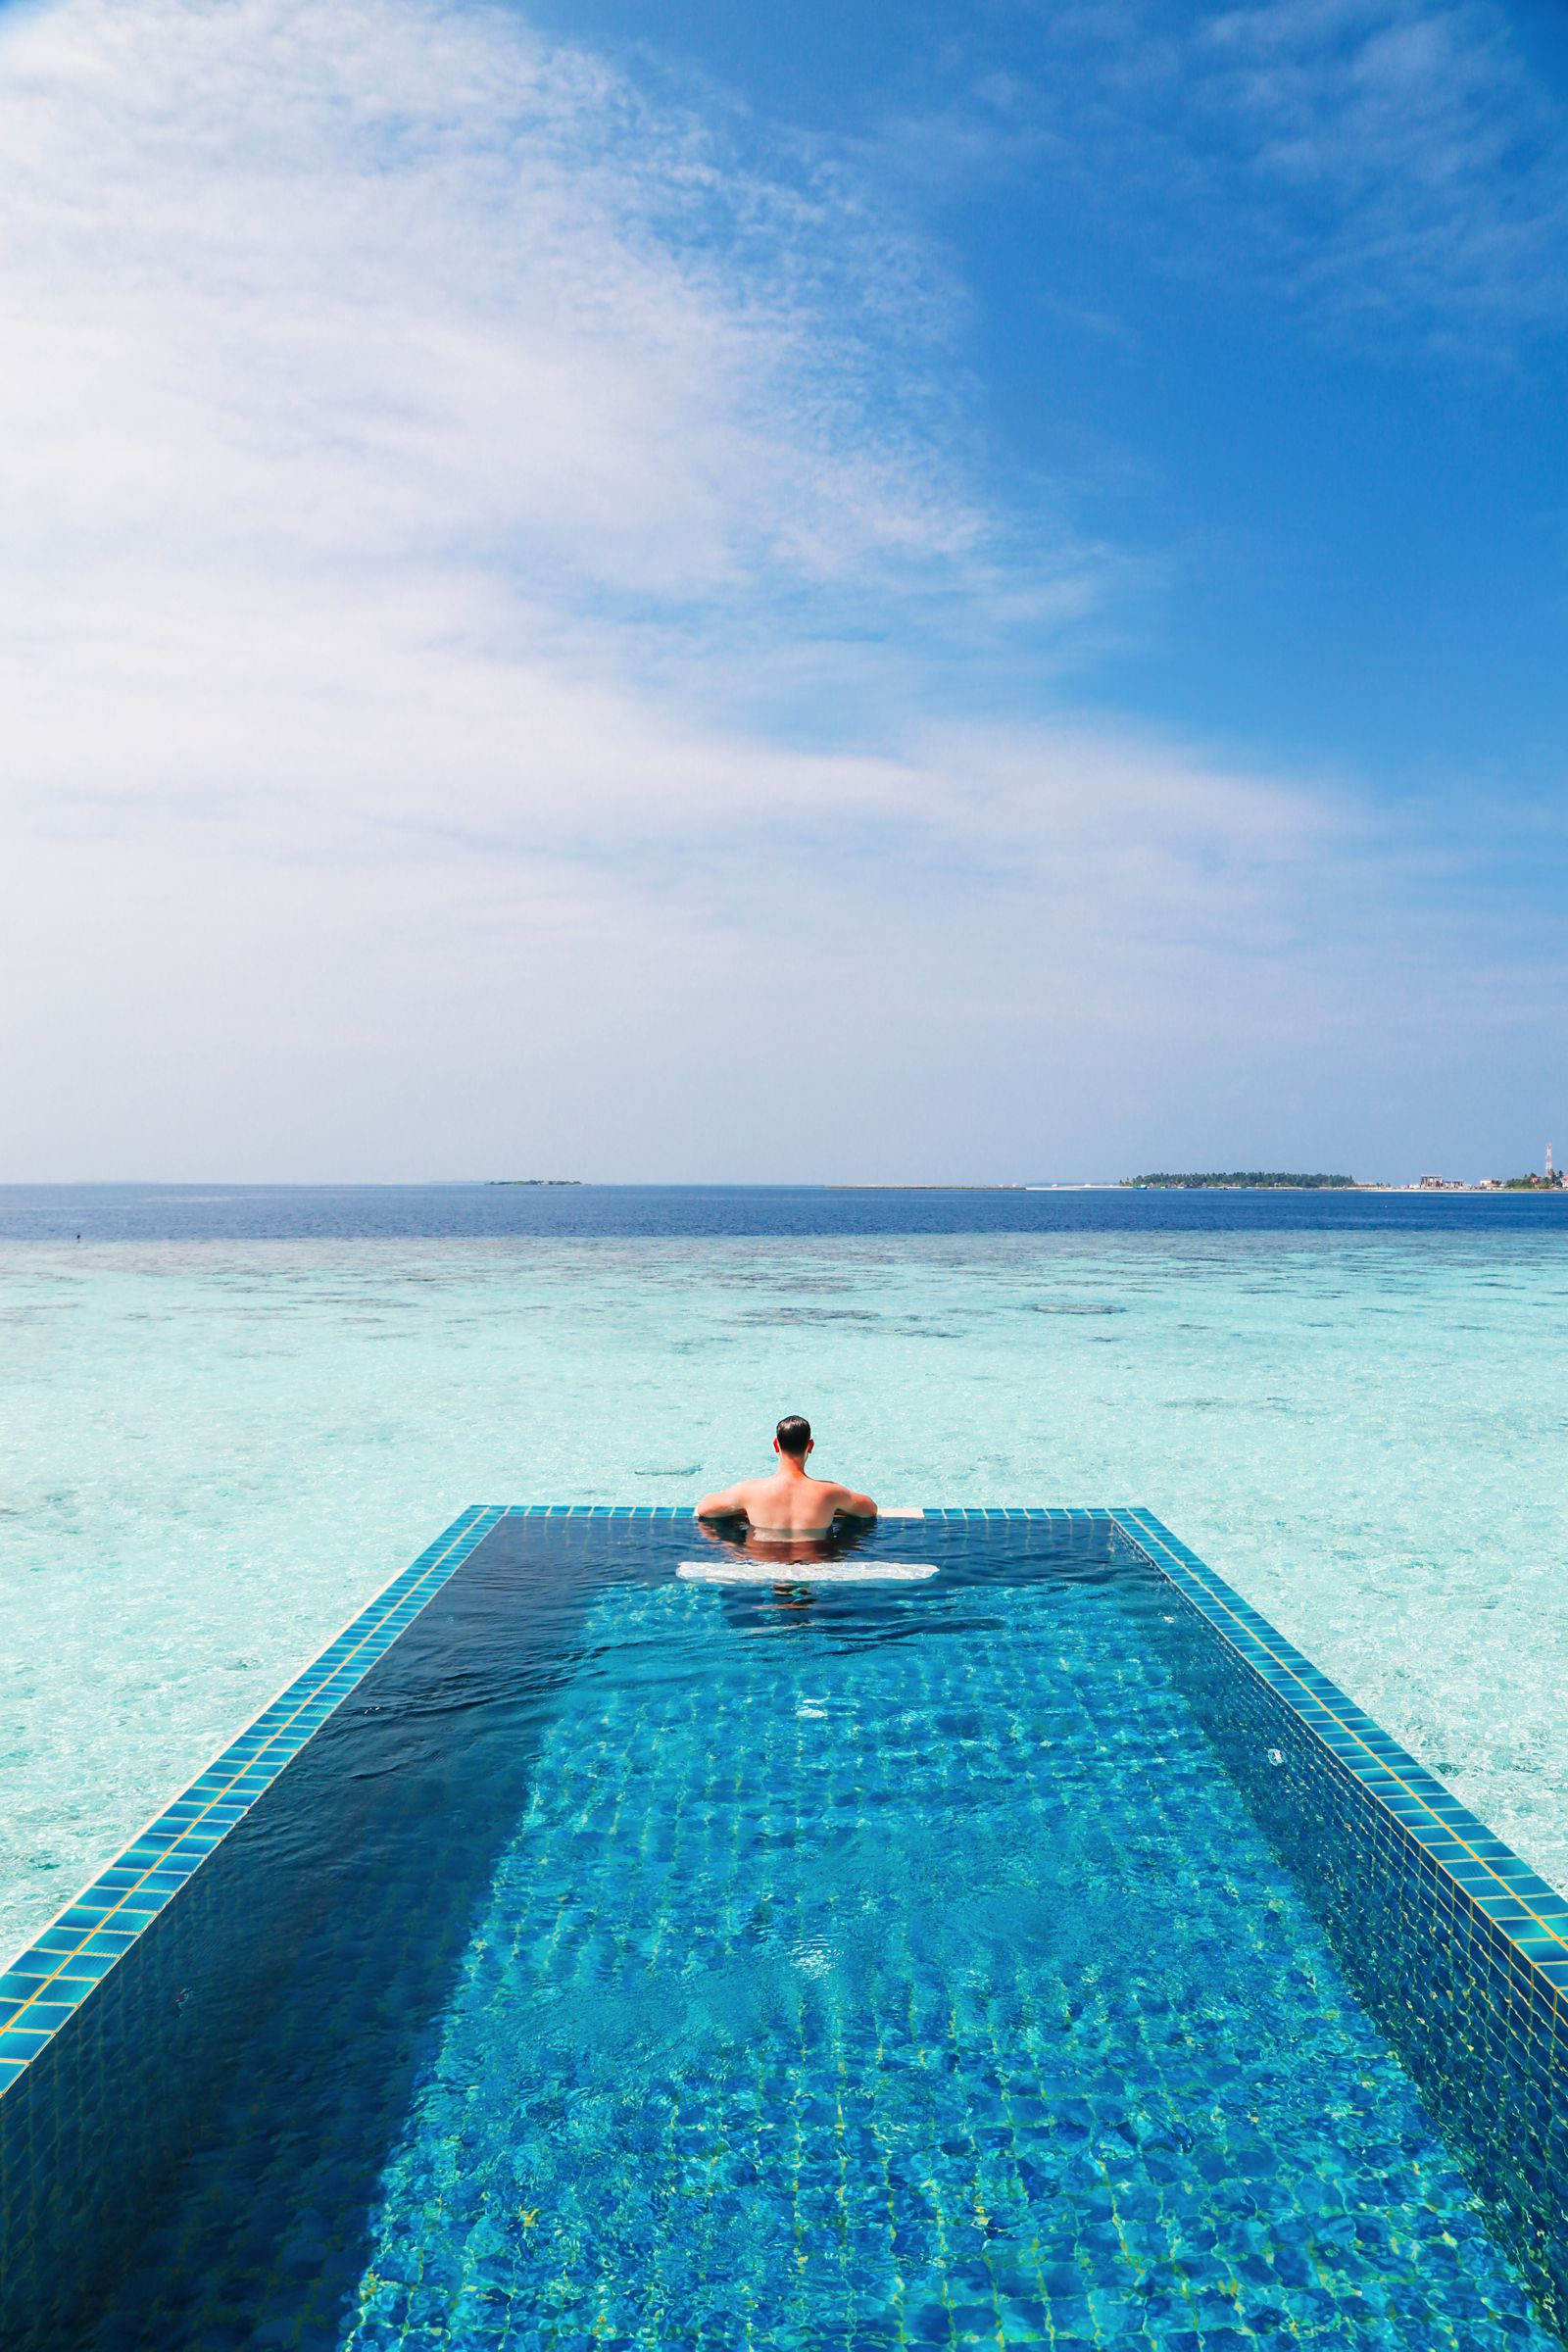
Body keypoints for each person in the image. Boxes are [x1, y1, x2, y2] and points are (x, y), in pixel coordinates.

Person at [695, 1416, 876, 1537]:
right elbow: (870, 1510)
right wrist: (836, 1507)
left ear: (776, 1444)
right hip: (814, 1565)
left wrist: (743, 1509)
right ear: (810, 1445)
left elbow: (705, 1509)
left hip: (763, 1566)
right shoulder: (831, 1493)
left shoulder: (750, 1492)